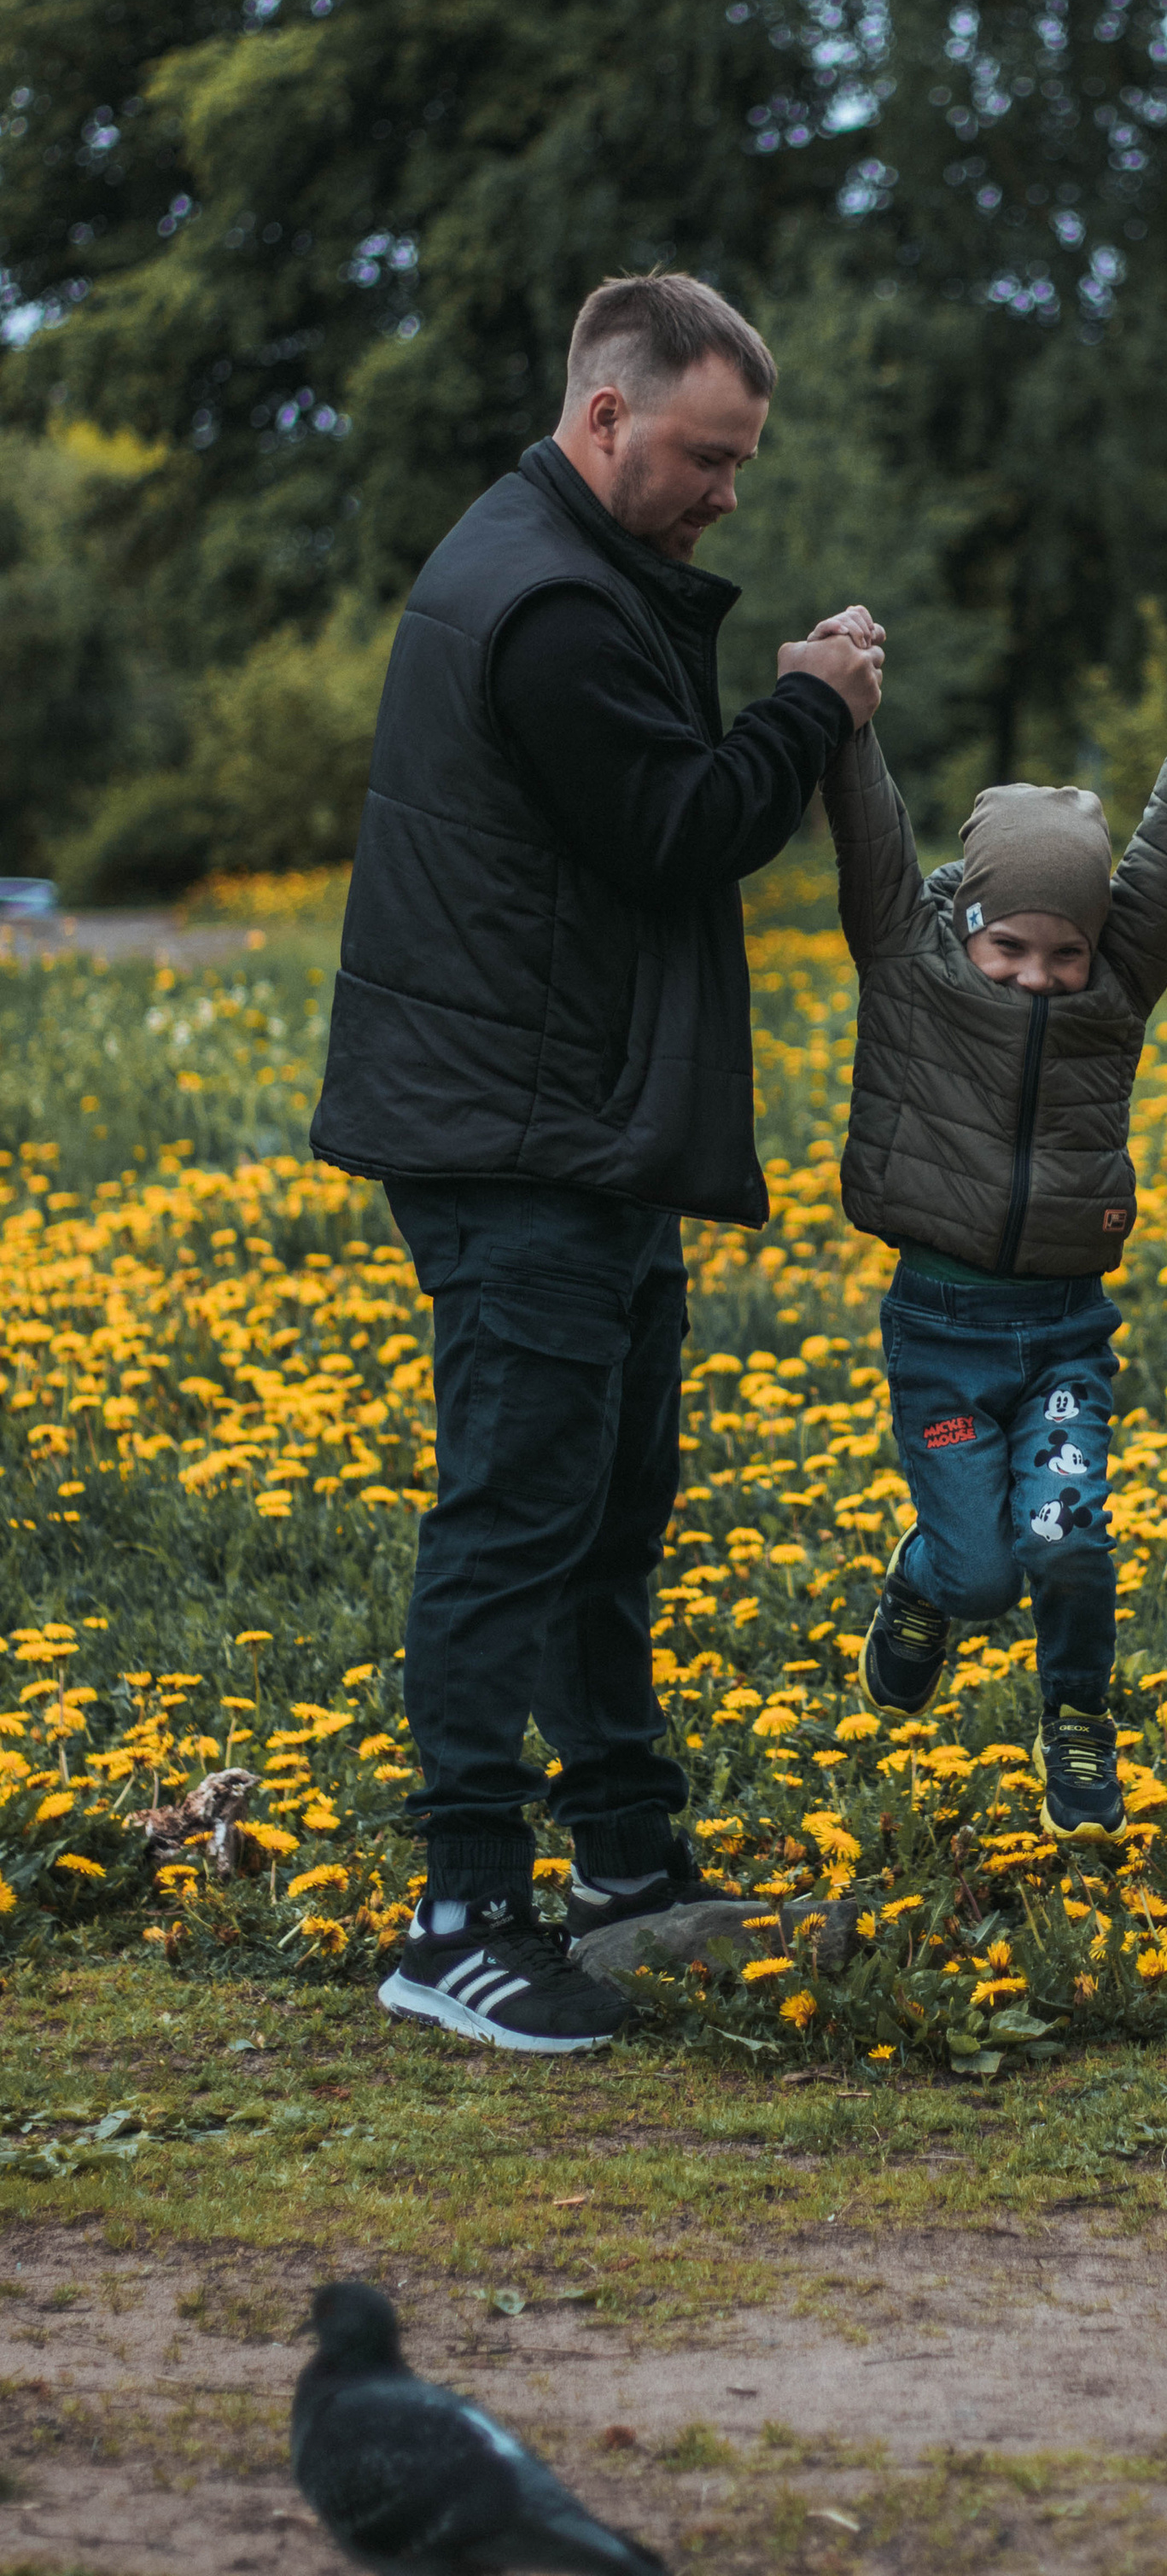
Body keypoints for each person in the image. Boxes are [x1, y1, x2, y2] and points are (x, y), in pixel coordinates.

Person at [312, 271, 884, 2053]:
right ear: (608, 414)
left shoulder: (567, 563)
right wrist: (809, 701)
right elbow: (680, 828)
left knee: (602, 1513)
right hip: (520, 1138)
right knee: (513, 1514)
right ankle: (462, 1915)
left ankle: (627, 1866)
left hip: (575, 1130)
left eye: (742, 464)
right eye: (707, 458)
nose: (728, 495)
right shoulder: (548, 603)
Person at [820, 713, 1167, 1847]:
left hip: (1064, 1331)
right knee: (979, 1578)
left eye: (1066, 955)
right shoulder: (912, 969)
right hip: (942, 1339)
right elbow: (871, 841)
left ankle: (1077, 1716)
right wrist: (852, 722)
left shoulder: (1115, 993)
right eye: (1009, 949)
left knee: (1069, 1541)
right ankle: (921, 1582)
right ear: (963, 931)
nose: (1040, 978)